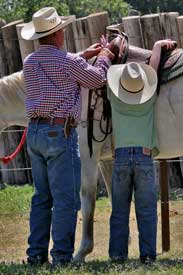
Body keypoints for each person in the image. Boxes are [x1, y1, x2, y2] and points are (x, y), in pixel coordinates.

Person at [21, 6, 114, 266]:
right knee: (66, 199)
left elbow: (59, 68)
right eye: (61, 29)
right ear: (57, 34)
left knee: (42, 197)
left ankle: (35, 254)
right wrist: (105, 56)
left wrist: (82, 56)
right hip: (59, 133)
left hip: (36, 132)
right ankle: (61, 256)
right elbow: (96, 79)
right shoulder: (69, 62)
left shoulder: (30, 62)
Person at [107, 39, 176, 264]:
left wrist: (106, 51)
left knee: (119, 210)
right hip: (145, 156)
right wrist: (157, 46)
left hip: (121, 157)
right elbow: (153, 68)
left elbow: (105, 69)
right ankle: (147, 255)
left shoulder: (114, 97)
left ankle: (118, 256)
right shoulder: (148, 97)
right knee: (146, 209)